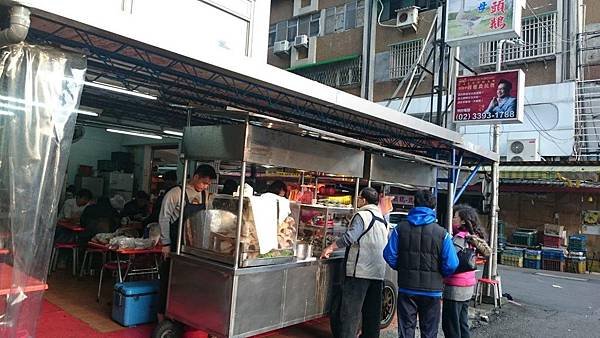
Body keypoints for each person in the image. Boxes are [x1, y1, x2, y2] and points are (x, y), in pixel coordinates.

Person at [383, 189, 458, 338]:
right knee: (429, 332)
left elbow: (388, 255)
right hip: (432, 292)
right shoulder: (442, 234)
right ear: (433, 208)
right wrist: (440, 274)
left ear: (414, 204)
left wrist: (402, 267)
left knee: (406, 331)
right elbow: (452, 263)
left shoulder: (400, 229)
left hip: (407, 288)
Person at [321, 187, 389, 338]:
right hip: (377, 274)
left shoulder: (363, 215)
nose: (357, 200)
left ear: (363, 200)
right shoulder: (382, 219)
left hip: (359, 273)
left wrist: (330, 247)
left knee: (350, 314)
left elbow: (350, 237)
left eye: (359, 198)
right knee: (372, 315)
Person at [157, 164, 217, 317]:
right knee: (168, 282)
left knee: (189, 283)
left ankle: (183, 315)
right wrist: (165, 243)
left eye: (208, 184)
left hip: (194, 248)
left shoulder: (206, 196)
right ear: (195, 176)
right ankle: (162, 317)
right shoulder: (176, 193)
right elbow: (164, 218)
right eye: (203, 182)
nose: (205, 187)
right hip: (175, 245)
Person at [442, 204, 491, 338]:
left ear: (463, 221)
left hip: (455, 286)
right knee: (462, 323)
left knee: (451, 326)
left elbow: (450, 261)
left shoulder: (459, 238)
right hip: (468, 286)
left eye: (455, 217)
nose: (452, 219)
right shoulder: (473, 238)